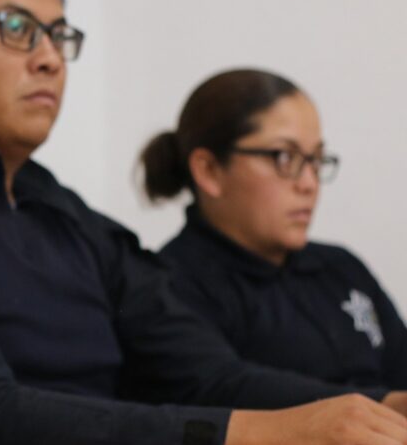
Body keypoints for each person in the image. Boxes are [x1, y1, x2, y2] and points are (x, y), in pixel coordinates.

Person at [0, 0, 407, 445]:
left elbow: (204, 373)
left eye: (59, 36)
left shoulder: (72, 217)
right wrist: (245, 436)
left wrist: (384, 410)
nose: (49, 59)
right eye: (16, 27)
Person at [141, 68, 407, 389]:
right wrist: (385, 410)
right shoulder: (169, 288)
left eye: (316, 160)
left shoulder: (342, 269)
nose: (309, 183)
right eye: (284, 157)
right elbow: (224, 396)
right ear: (209, 171)